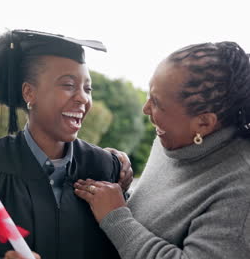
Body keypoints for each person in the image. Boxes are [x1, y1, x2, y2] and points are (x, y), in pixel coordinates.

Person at [0, 30, 131, 259]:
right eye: (68, 85)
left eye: (87, 89)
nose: (82, 98)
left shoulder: (104, 168)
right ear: (30, 92)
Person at [74, 41, 250, 258]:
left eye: (157, 103)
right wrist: (120, 188)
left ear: (204, 123)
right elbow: (159, 223)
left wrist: (115, 216)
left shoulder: (241, 192)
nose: (145, 108)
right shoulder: (177, 139)